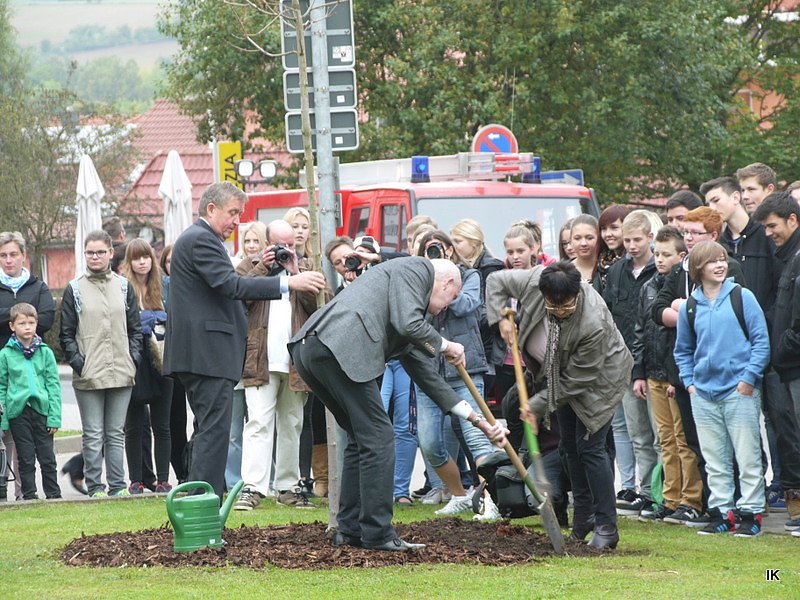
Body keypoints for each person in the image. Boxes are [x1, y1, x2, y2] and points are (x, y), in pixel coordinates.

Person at [289, 257, 508, 552]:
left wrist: (479, 421)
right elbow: (409, 323)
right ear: (446, 283)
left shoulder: (405, 316)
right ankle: (378, 533)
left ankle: (351, 529)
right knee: (379, 437)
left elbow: (428, 378)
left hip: (314, 350)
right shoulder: (416, 269)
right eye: (451, 298)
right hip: (340, 347)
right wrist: (447, 345)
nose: (447, 306)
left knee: (361, 437)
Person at [163, 182, 326, 498]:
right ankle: (204, 500)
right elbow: (230, 286)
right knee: (214, 432)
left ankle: (197, 494)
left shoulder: (198, 239)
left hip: (204, 354)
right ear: (211, 209)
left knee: (208, 431)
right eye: (233, 212)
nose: (237, 220)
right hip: (207, 354)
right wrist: (289, 282)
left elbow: (228, 286)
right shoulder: (201, 240)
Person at [486, 260, 633, 549]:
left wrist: (537, 405)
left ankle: (606, 526)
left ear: (577, 292)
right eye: (553, 307)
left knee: (591, 448)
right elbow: (495, 282)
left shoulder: (593, 322)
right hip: (557, 377)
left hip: (599, 381)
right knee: (568, 448)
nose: (560, 312)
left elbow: (579, 379)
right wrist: (501, 319)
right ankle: (582, 520)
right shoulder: (532, 282)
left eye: (566, 306)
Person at [674, 241, 770, 536]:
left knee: (747, 455)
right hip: (703, 394)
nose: (720, 265)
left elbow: (761, 342)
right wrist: (689, 383)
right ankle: (723, 511)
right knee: (715, 459)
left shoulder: (743, 297)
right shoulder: (690, 306)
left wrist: (748, 379)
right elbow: (683, 350)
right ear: (697, 269)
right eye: (712, 261)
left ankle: (752, 513)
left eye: (722, 259)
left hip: (739, 391)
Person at [233, 220, 324, 511]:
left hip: (295, 361)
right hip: (260, 358)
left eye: (292, 245)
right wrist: (264, 266)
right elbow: (238, 295)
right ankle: (253, 488)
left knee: (292, 424)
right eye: (280, 246)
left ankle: (287, 486)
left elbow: (323, 305)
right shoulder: (250, 267)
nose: (287, 250)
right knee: (258, 422)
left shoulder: (307, 268)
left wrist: (297, 272)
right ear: (267, 243)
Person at [415, 230, 501, 520]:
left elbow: (467, 305)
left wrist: (443, 288)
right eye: (427, 250)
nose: (434, 254)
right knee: (429, 443)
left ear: (450, 250)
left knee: (477, 437)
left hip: (465, 369)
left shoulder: (471, 276)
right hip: (428, 372)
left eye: (437, 248)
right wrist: (430, 281)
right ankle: (460, 495)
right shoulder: (418, 281)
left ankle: (492, 501)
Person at [60, 230, 142, 498]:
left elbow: (135, 329)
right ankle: (96, 486)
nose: (94, 257)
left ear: (110, 253)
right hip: (89, 374)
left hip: (121, 370)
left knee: (116, 433)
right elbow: (66, 334)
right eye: (90, 252)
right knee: (93, 435)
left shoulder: (123, 286)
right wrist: (78, 363)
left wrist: (134, 358)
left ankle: (118, 486)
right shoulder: (74, 288)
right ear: (85, 254)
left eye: (99, 252)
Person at [631, 226, 704, 524]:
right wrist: (640, 371)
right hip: (654, 372)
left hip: (674, 372)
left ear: (681, 256)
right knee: (665, 440)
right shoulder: (648, 286)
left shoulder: (685, 287)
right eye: (657, 254)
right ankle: (670, 498)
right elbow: (640, 330)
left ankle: (691, 498)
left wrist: (676, 377)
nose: (659, 259)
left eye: (666, 254)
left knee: (683, 438)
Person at [603, 210, 660, 517]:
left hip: (649, 362)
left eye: (637, 239)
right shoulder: (617, 271)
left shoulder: (659, 270)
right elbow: (609, 314)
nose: (632, 246)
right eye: (627, 240)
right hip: (619, 361)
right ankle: (634, 487)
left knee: (655, 431)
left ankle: (656, 491)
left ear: (650, 237)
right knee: (630, 429)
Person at [752, 192, 800, 530]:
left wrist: (781, 349)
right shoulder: (789, 256)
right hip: (787, 363)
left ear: (793, 220)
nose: (769, 233)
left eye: (773, 226)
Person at [0, 231, 56, 502]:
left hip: (30, 369)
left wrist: (17, 316)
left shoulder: (38, 286)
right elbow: (32, 316)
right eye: (3, 255)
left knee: (28, 445)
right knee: (5, 435)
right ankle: (2, 490)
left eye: (13, 254)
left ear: (23, 256)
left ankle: (26, 495)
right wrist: (18, 313)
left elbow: (45, 318)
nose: (8, 260)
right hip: (4, 364)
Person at [122, 239, 174, 495]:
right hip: (133, 362)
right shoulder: (123, 289)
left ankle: (163, 479)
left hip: (163, 359)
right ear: (129, 262)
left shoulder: (164, 286)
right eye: (136, 258)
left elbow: (174, 318)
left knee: (162, 425)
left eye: (146, 257)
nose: (142, 262)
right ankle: (136, 480)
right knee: (133, 426)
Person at [0, 303, 61, 500]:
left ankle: (53, 494)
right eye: (22, 323)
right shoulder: (5, 354)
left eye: (31, 323)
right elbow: (2, 386)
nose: (27, 327)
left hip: (41, 410)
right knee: (25, 458)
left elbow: (53, 386)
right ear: (12, 326)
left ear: (37, 324)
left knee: (47, 457)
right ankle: (29, 495)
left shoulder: (45, 352)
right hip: (18, 412)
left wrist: (54, 417)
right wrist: (4, 420)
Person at [160, 244, 189, 484]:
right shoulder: (160, 288)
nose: (173, 266)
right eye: (168, 262)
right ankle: (181, 472)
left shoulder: (190, 286)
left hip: (192, 358)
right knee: (174, 420)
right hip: (170, 361)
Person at [569, 214, 601, 287]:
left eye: (589, 238)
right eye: (577, 238)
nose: (583, 243)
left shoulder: (608, 270)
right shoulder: (563, 272)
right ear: (570, 240)